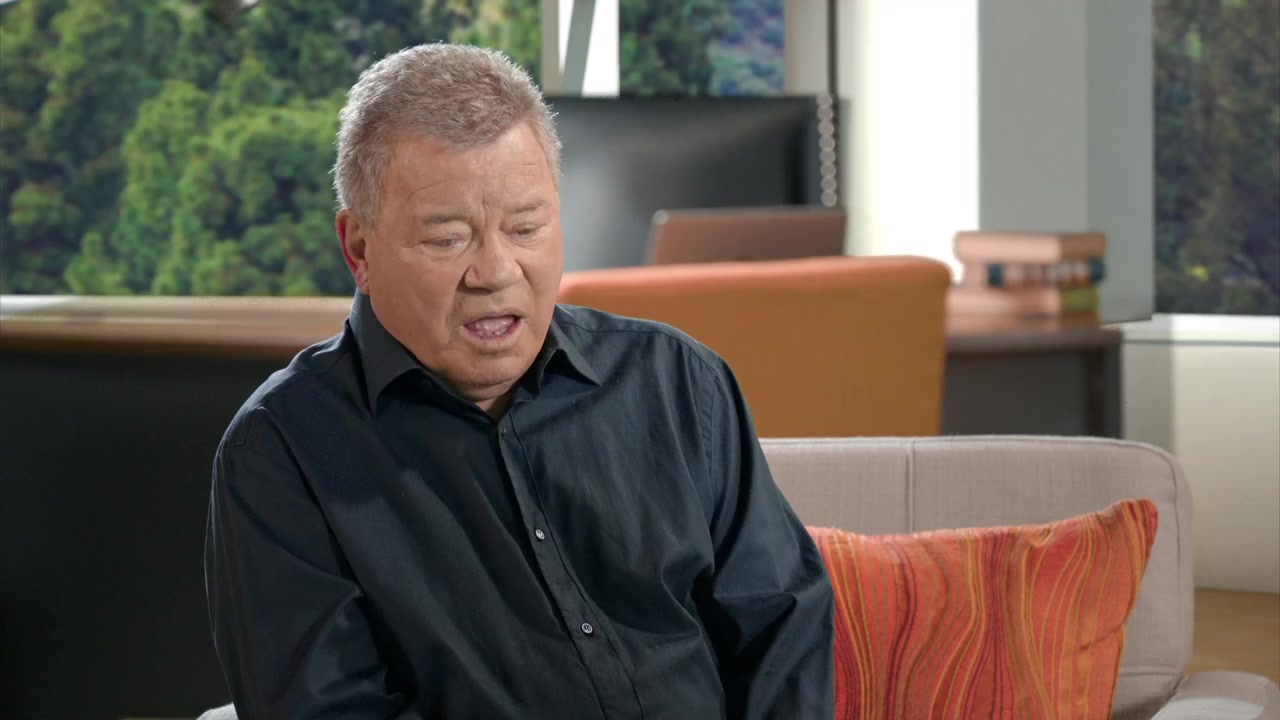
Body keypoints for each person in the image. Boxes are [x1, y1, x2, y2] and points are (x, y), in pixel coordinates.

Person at [204, 43, 834, 720]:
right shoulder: (284, 452)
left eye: (526, 227)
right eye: (448, 239)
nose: (496, 271)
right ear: (359, 248)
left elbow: (783, 634)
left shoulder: (679, 383)